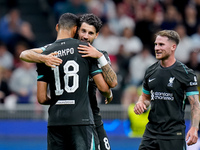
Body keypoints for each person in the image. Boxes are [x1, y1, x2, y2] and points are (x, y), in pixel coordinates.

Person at [20, 13, 117, 150]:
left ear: (96, 35)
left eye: (90, 33)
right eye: (83, 31)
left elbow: (112, 83)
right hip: (82, 119)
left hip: (89, 118)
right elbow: (107, 87)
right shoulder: (80, 53)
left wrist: (100, 56)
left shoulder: (97, 54)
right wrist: (108, 94)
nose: (85, 36)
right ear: (76, 30)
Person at [134, 30, 200, 150]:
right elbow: (145, 97)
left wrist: (194, 127)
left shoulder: (186, 73)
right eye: (155, 44)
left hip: (173, 134)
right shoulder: (150, 71)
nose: (157, 48)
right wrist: (140, 102)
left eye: (161, 44)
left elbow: (195, 104)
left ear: (173, 47)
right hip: (151, 133)